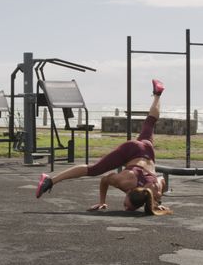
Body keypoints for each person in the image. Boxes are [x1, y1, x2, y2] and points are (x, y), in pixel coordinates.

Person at [35, 79, 172, 215]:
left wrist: (156, 203)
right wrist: (102, 201)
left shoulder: (156, 191)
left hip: (147, 150)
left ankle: (157, 94)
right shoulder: (123, 182)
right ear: (128, 192)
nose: (125, 208)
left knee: (150, 122)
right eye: (126, 204)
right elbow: (104, 180)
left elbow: (162, 180)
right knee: (93, 170)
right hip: (131, 151)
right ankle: (50, 180)